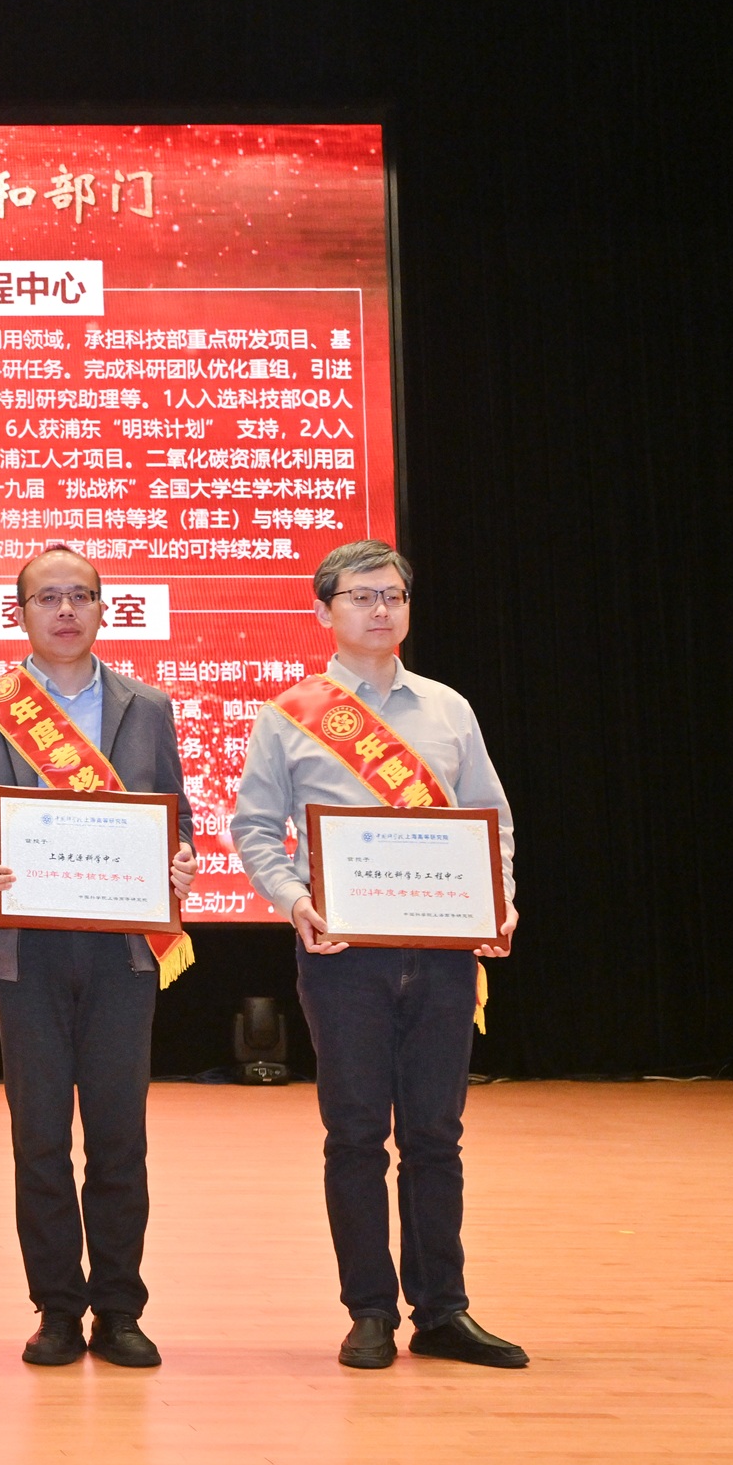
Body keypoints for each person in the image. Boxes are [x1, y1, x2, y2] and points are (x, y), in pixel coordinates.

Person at [230, 539, 526, 1370]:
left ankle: (443, 1311)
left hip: (442, 952)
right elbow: (255, 829)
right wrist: (296, 903)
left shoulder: (448, 709)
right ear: (324, 611)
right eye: (361, 596)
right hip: (344, 955)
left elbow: (492, 822)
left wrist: (497, 902)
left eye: (393, 595)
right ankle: (368, 1309)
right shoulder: (288, 714)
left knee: (435, 1134)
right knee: (356, 1135)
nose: (381, 609)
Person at [0, 545, 197, 1369]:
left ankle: (119, 1308)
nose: (66, 610)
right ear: (21, 614)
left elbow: (174, 815)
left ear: (105, 608)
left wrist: (180, 858)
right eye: (48, 598)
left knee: (119, 1139)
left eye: (81, 595)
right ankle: (56, 1307)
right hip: (25, 954)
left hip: (123, 953)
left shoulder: (148, 707)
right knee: (39, 1138)